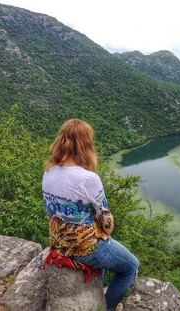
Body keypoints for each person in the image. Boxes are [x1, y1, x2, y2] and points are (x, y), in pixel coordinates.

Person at [42, 118, 139, 310]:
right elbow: (107, 221)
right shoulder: (88, 178)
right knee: (131, 267)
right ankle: (107, 307)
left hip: (58, 242)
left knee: (101, 252)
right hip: (84, 248)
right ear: (86, 144)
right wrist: (106, 229)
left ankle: (95, 293)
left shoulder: (49, 170)